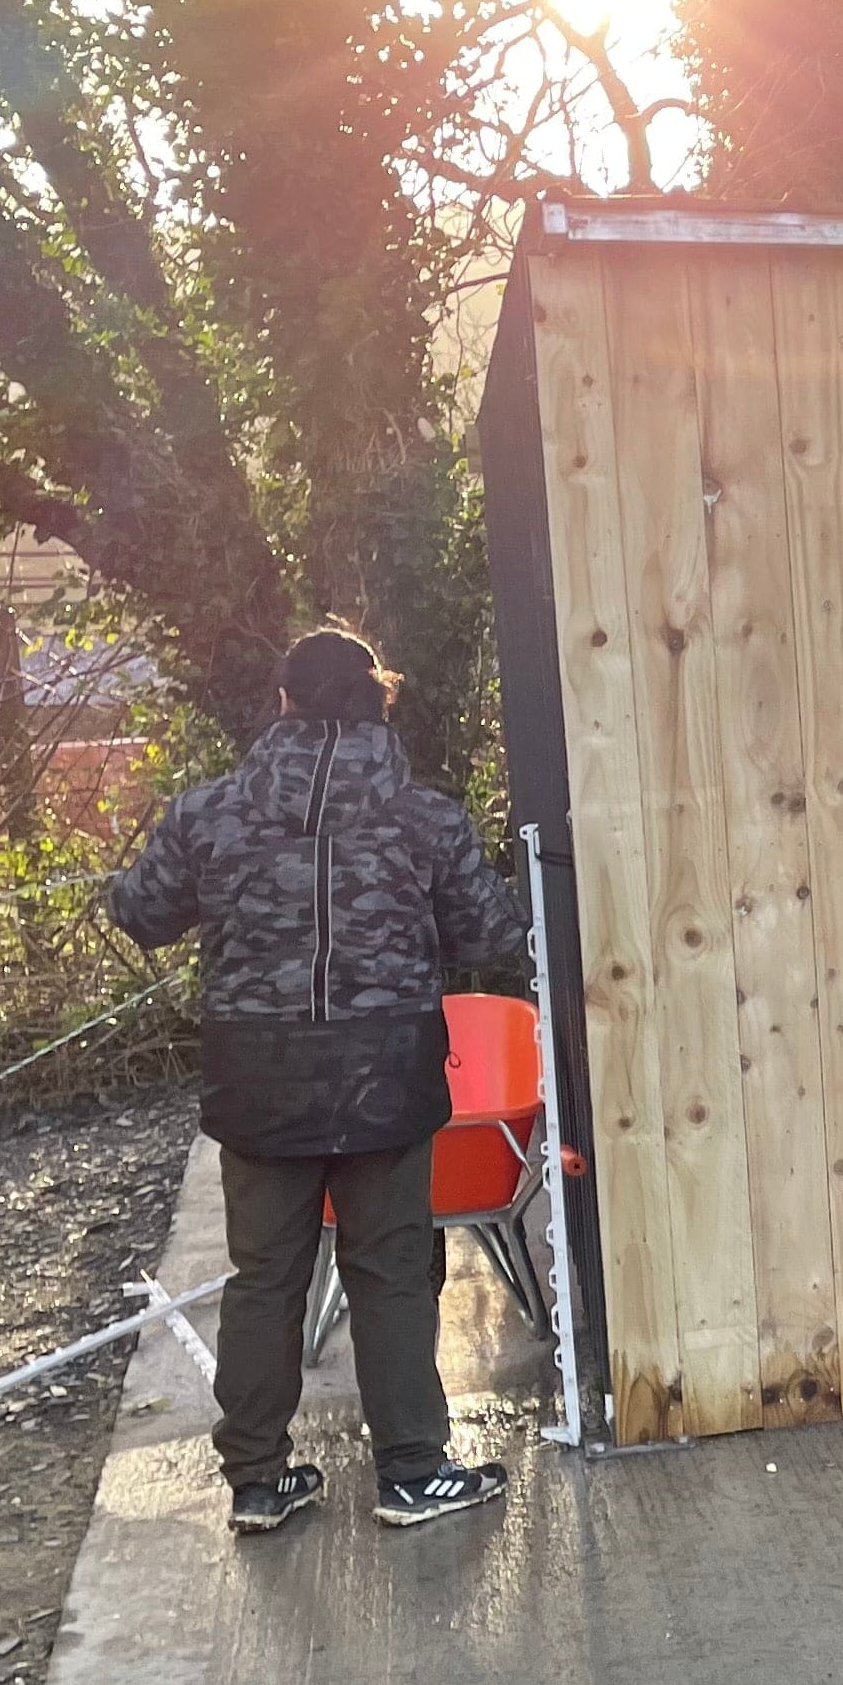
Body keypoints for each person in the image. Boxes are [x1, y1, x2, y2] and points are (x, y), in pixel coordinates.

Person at [110, 624, 532, 1535]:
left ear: (283, 703)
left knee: (264, 1278)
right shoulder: (425, 818)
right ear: (381, 700)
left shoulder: (209, 813)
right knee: (389, 1273)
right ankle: (412, 1472)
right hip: (386, 1075)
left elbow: (140, 913)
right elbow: (497, 938)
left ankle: (258, 1481)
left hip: (257, 1077)